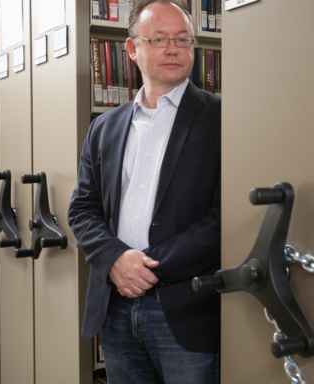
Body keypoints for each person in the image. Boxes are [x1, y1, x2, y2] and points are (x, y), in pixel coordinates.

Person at [67, 0, 221, 382]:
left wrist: (147, 266)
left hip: (187, 310)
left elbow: (225, 218)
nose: (173, 48)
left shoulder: (223, 119)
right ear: (132, 49)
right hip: (116, 309)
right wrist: (116, 260)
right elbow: (82, 210)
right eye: (159, 39)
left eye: (183, 39)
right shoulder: (104, 127)